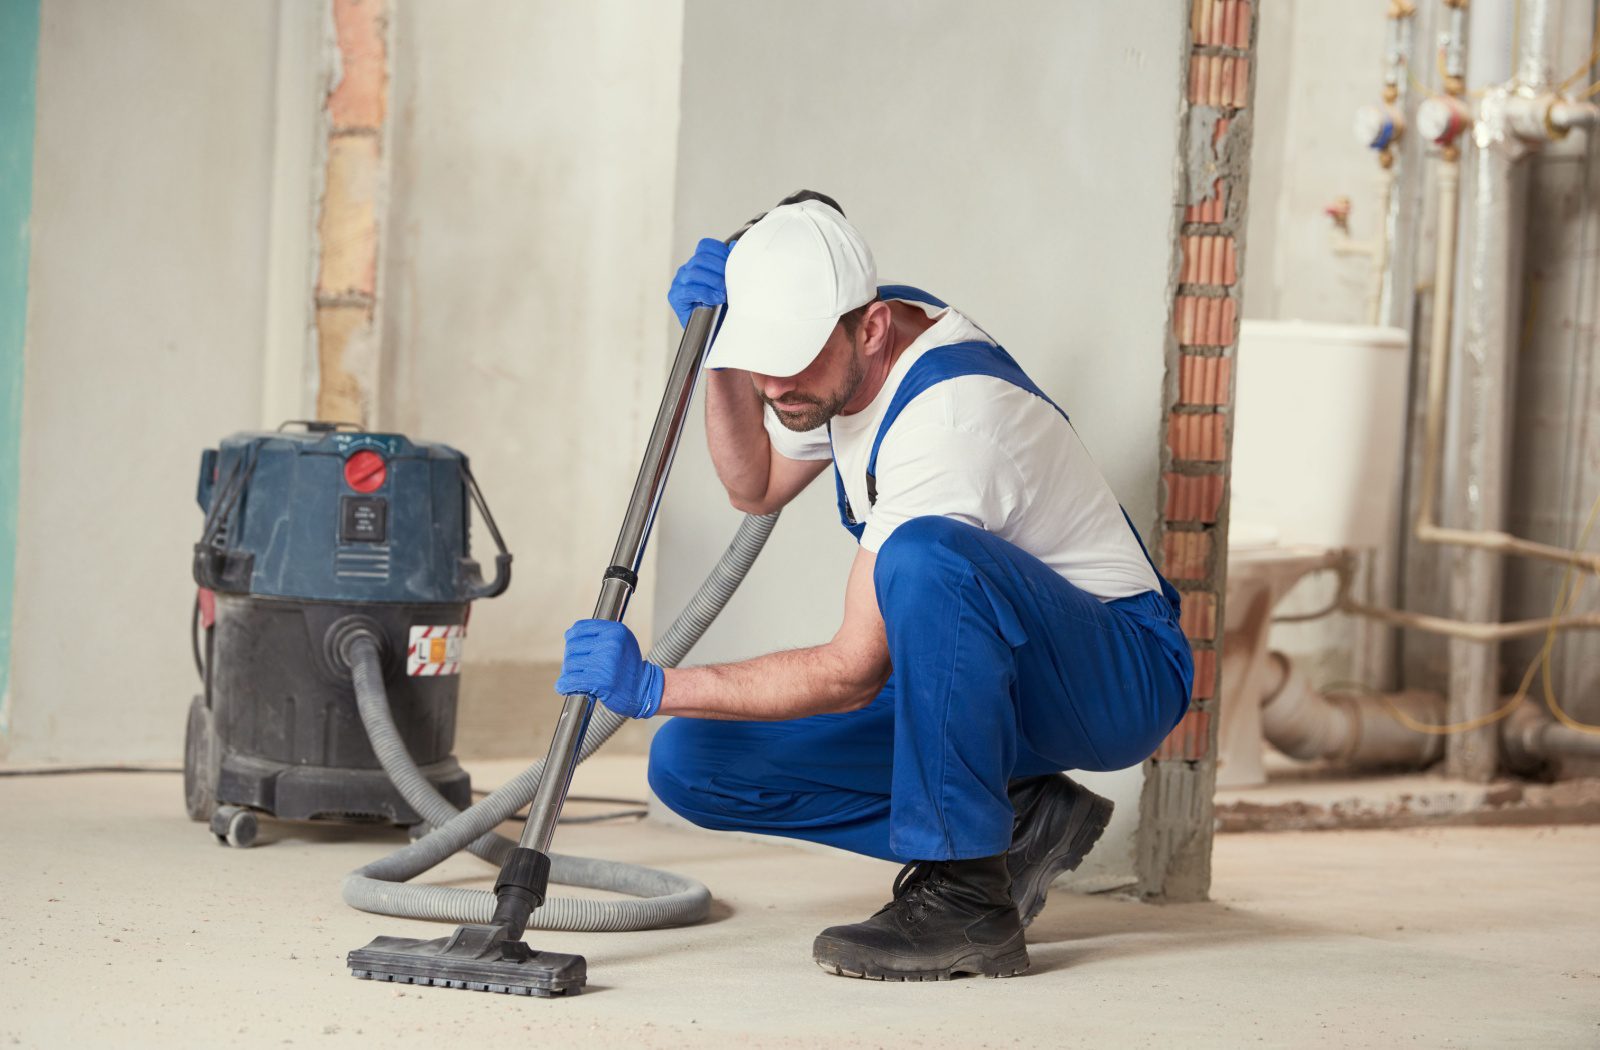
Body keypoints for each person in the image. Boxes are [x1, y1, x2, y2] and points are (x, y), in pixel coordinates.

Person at [556, 199, 1194, 982]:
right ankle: (1022, 818)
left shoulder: (950, 423)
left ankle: (968, 900)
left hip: (1115, 675)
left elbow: (853, 669)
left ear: (872, 329)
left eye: (793, 358)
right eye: (764, 357)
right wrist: (722, 353)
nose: (779, 384)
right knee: (691, 761)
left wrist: (655, 683)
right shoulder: (826, 361)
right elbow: (755, 484)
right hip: (991, 677)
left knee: (924, 560)